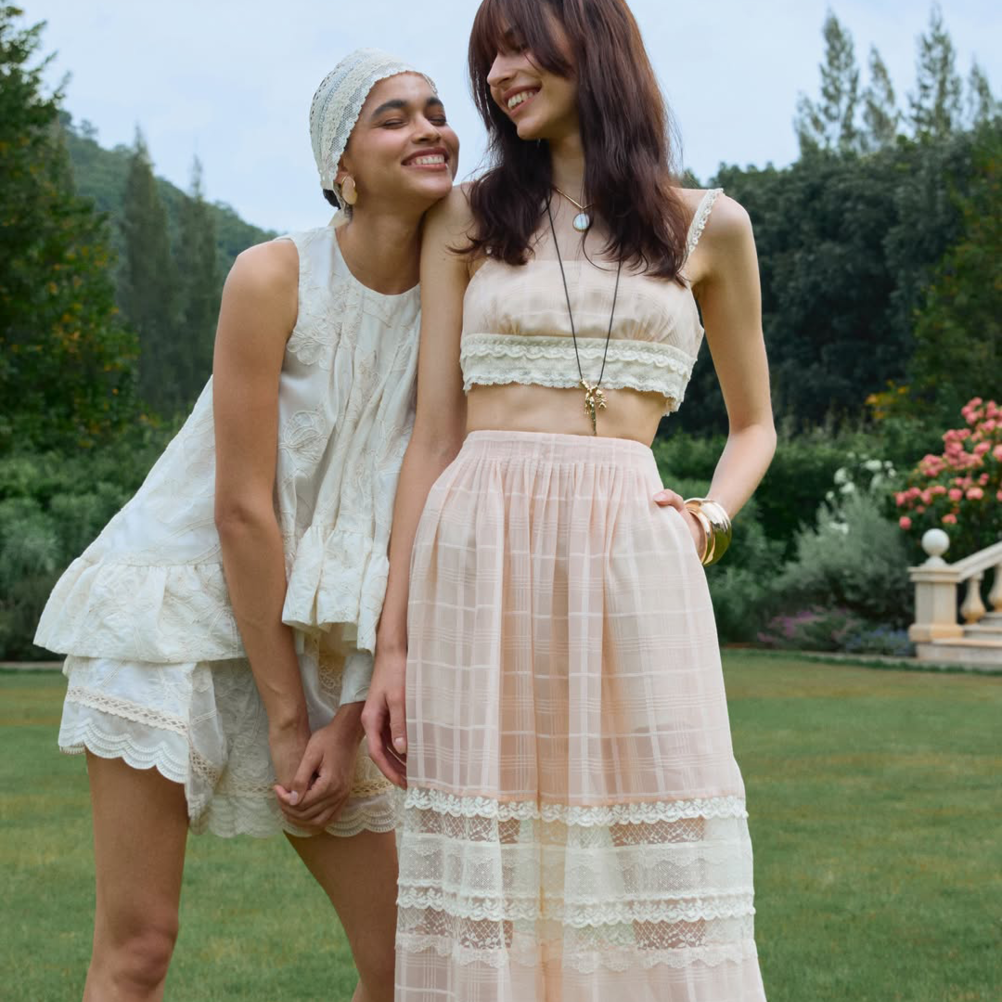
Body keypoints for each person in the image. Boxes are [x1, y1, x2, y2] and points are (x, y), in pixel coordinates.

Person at [362, 1, 776, 999]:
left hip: (636, 557)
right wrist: (392, 646)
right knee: (494, 861)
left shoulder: (710, 227)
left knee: (655, 841)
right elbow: (433, 435)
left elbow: (755, 424)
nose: (501, 74)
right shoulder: (466, 217)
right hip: (477, 550)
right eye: (489, 57)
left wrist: (707, 523)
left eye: (519, 45)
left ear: (592, 45)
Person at [34, 49, 458, 1002]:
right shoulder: (271, 275)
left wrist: (342, 721)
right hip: (173, 618)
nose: (429, 126)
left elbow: (405, 527)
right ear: (339, 163)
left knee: (408, 964)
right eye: (394, 116)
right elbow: (241, 508)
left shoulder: (459, 307)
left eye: (435, 111)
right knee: (139, 947)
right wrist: (283, 721)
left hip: (324, 640)